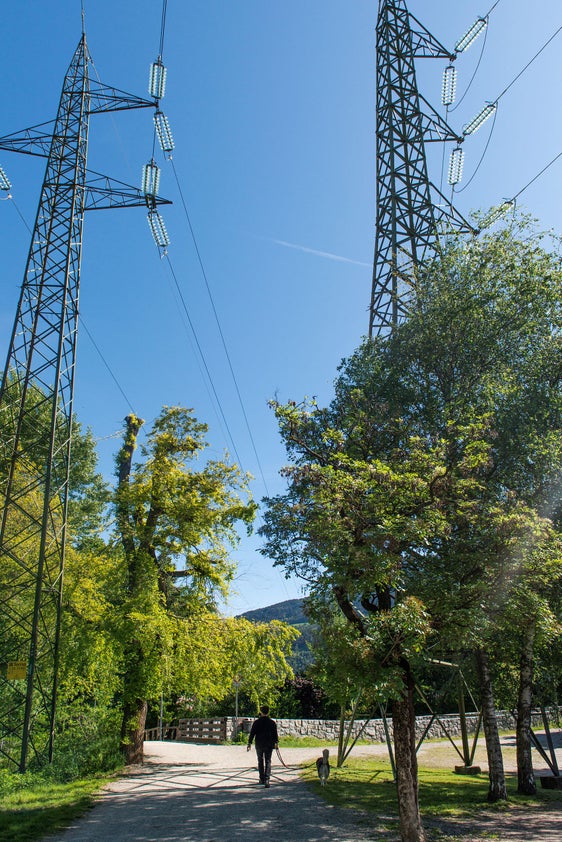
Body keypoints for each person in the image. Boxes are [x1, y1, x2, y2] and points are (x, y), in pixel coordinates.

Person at [247, 704, 279, 787]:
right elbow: (275, 734)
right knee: (268, 761)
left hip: (259, 744)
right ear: (268, 712)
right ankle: (267, 779)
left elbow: (252, 733)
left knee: (260, 761)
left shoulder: (257, 722)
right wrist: (276, 743)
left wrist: (249, 743)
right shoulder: (272, 723)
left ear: (261, 712)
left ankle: (261, 779)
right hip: (269, 744)